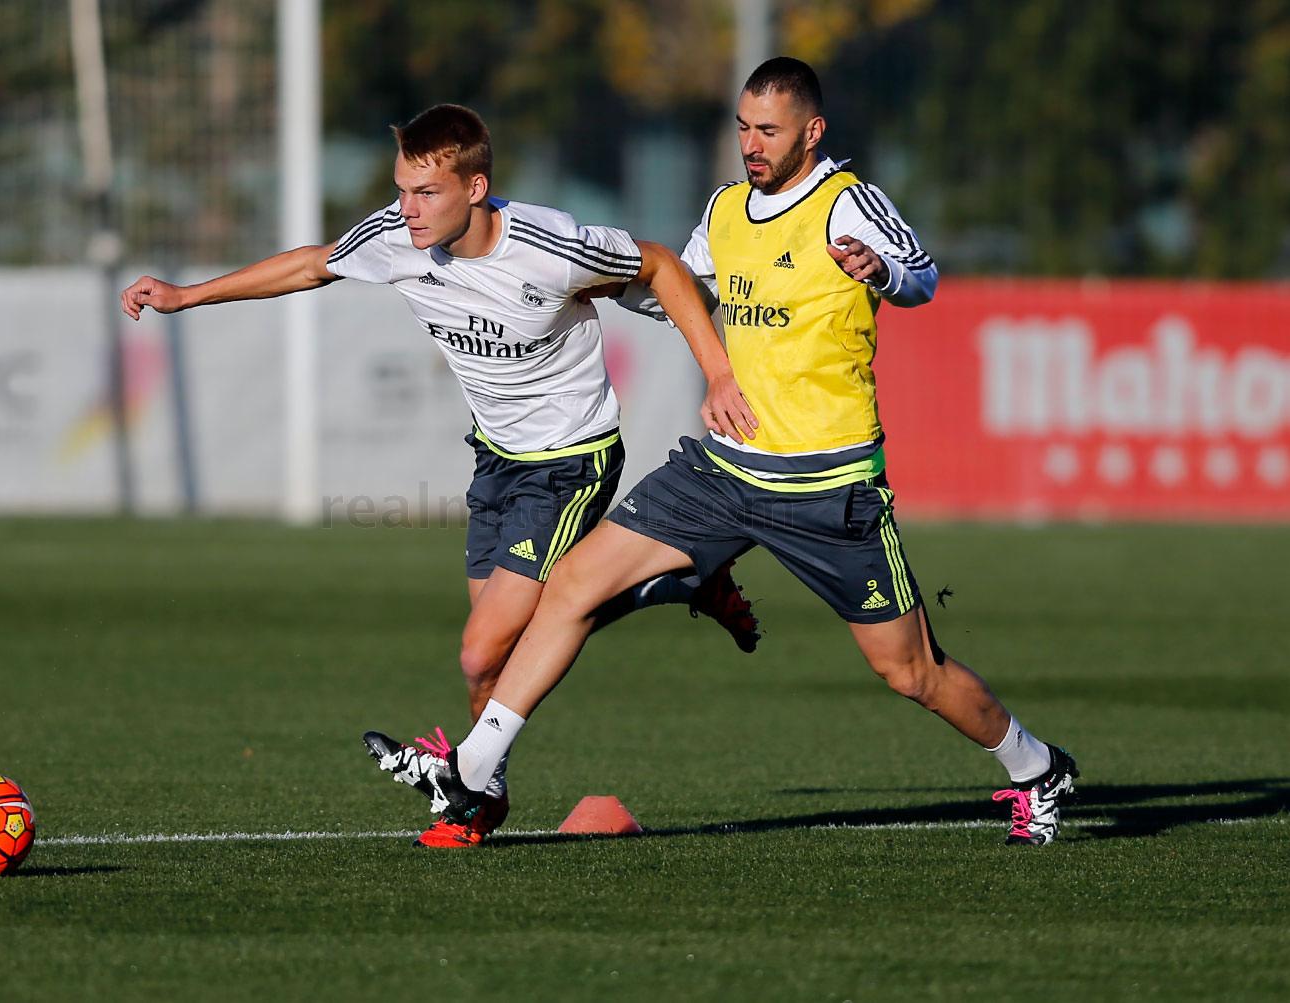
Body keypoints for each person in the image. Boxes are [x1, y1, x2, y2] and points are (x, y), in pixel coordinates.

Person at [364, 61, 1079, 848]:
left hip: (827, 485)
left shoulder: (848, 202)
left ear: (812, 131)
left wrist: (883, 271)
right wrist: (608, 286)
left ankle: (1036, 766)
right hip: (725, 469)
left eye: (768, 129)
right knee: (570, 584)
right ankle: (472, 770)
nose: (751, 143)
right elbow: (684, 292)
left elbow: (924, 277)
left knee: (911, 672)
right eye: (743, 127)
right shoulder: (727, 208)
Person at [120, 104, 762, 849]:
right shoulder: (399, 239)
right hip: (494, 460)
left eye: (426, 193)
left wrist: (718, 372)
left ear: (476, 187)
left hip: (570, 461)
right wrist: (187, 295)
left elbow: (657, 264)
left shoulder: (548, 245)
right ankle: (660, 599)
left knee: (481, 648)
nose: (408, 210)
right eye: (402, 191)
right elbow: (310, 264)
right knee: (492, 663)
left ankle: (470, 792)